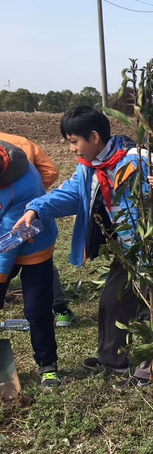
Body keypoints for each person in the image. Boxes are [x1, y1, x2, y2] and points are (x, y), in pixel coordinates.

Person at [17, 106, 153, 387]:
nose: (73, 149)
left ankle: (150, 368)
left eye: (75, 142)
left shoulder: (138, 158)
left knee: (152, 308)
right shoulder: (89, 169)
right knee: (113, 301)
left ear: (94, 137)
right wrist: (36, 209)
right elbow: (69, 195)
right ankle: (112, 359)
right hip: (126, 250)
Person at [0, 131, 76, 326]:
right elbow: (50, 170)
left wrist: (31, 201)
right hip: (24, 223)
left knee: (36, 268)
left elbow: (10, 239)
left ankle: (58, 307)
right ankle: (60, 307)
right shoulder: (20, 140)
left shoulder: (21, 182)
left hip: (25, 228)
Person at [0, 142, 59, 389]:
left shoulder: (24, 184)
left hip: (34, 244)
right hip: (4, 241)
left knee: (37, 308)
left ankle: (48, 366)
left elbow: (9, 241)